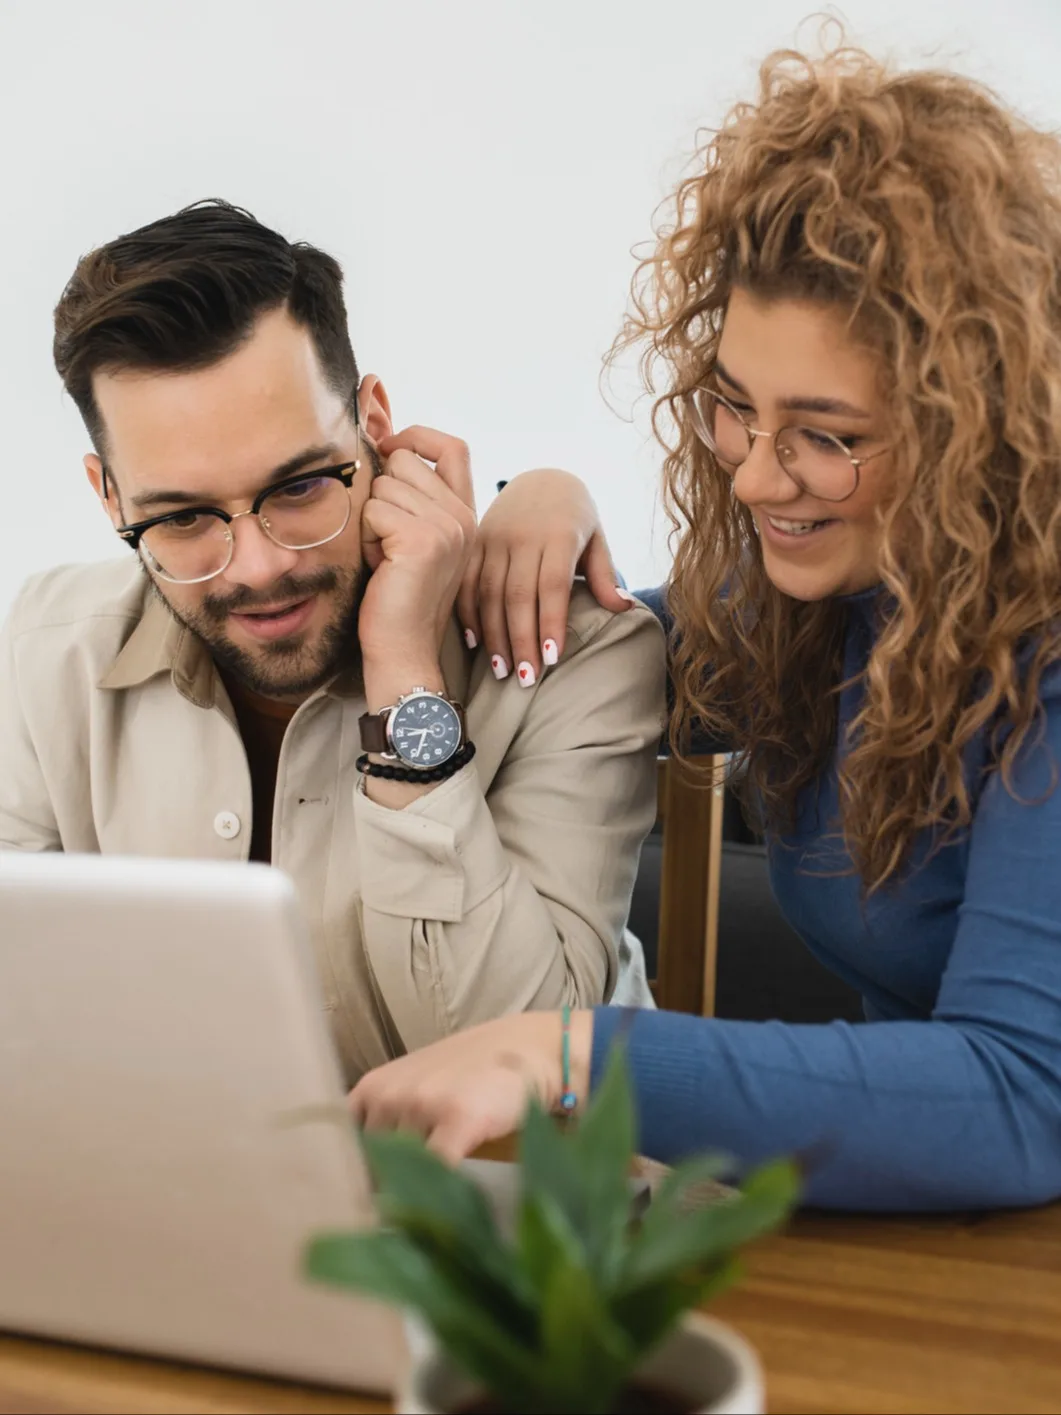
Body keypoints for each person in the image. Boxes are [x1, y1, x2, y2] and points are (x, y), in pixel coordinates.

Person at [349, 44, 1061, 1211]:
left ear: (978, 422)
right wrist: (540, 502)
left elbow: (1020, 1091)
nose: (753, 478)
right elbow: (603, 645)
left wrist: (571, 1054)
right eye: (734, 408)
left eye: (826, 434)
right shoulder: (813, 606)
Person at [0, 200, 666, 1083]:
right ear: (109, 496)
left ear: (374, 424)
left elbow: (525, 1074)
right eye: (184, 515)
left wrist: (404, 681)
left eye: (302, 485)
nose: (260, 566)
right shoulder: (50, 648)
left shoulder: (574, 653)